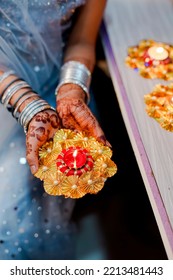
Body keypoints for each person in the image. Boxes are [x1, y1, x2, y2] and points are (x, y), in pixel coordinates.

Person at [0, 0, 109, 260]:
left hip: (54, 88)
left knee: (31, 219)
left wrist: (73, 88)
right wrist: (26, 103)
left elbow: (82, 39)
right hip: (7, 89)